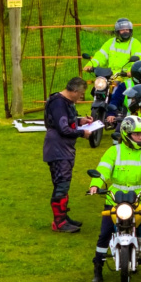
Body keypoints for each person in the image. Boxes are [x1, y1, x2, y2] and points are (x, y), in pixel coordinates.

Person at [88, 116, 141, 282]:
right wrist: (95, 185)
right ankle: (98, 267)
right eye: (137, 134)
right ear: (126, 135)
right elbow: (102, 170)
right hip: (115, 197)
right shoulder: (113, 151)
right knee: (105, 232)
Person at [43, 77, 92, 233]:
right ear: (75, 91)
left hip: (63, 149)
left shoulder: (64, 102)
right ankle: (59, 222)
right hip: (58, 149)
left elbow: (65, 122)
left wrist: (80, 121)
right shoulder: (59, 103)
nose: (81, 97)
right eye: (81, 94)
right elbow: (63, 128)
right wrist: (82, 132)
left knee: (63, 183)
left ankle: (63, 217)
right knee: (61, 184)